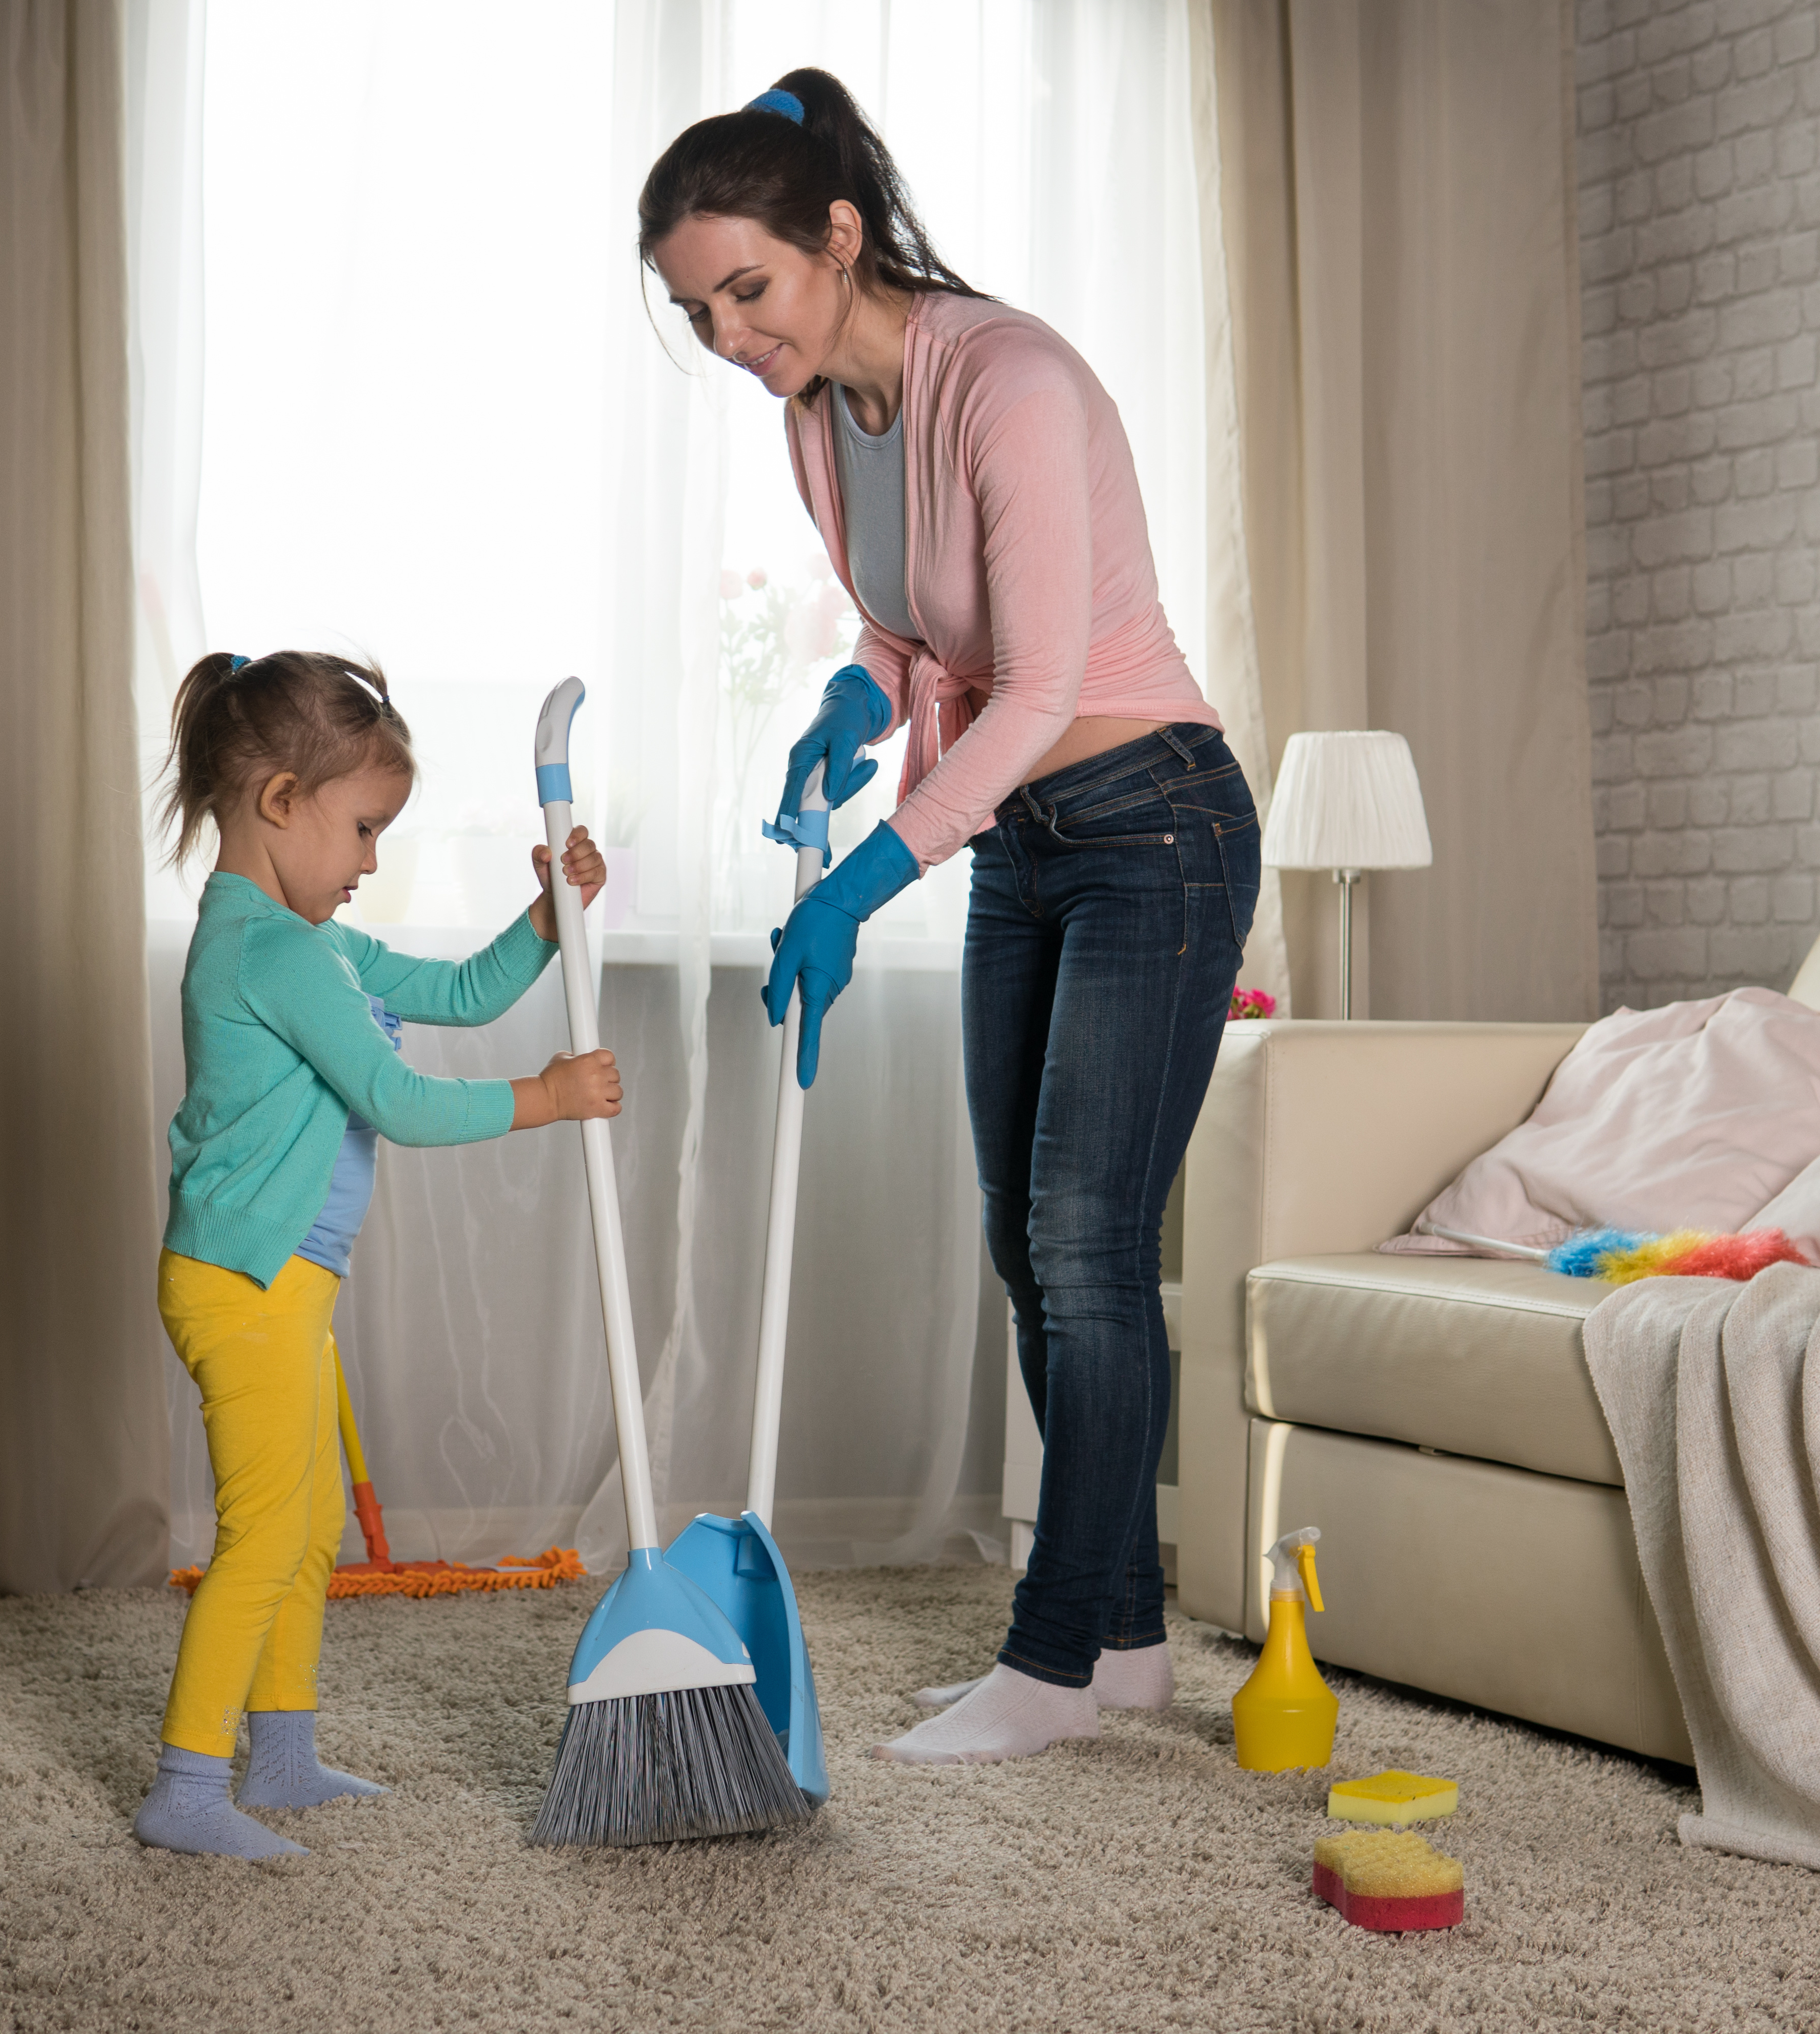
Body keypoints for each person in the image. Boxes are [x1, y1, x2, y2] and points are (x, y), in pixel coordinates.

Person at [641, 71, 1261, 1765]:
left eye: (749, 291)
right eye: (699, 313)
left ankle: (1050, 1660)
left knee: (1087, 1245)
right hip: (1026, 842)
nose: (731, 338)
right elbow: (922, 624)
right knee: (1026, 1245)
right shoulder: (816, 415)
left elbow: (1045, 681)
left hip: (1154, 826)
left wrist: (865, 876)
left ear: (839, 237)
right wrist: (858, 696)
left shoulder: (1015, 382)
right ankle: (1121, 1645)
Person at [133, 650, 617, 1857]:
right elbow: (399, 1101)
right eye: (363, 830)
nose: (370, 863)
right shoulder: (275, 955)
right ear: (279, 800)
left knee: (306, 1531)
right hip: (246, 1289)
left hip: (287, 1287)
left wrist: (546, 923)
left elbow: (459, 992)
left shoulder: (310, 945)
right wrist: (546, 1099)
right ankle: (186, 1789)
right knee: (264, 1534)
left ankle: (283, 1756)